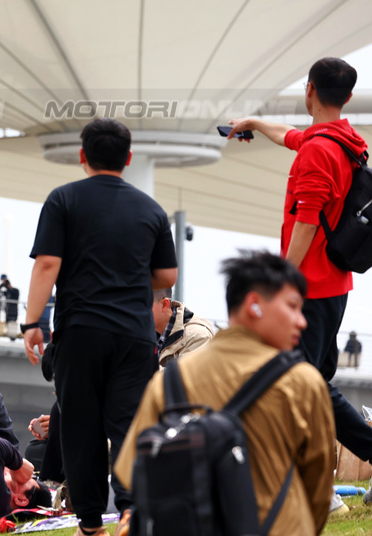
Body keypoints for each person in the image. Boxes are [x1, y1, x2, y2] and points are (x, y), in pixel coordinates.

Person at [21, 118, 177, 536]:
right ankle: (131, 512)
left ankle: (91, 525)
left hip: (81, 332)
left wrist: (32, 321)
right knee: (128, 425)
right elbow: (168, 274)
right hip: (134, 335)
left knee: (81, 427)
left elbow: (47, 264)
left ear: (82, 156)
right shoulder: (151, 209)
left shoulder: (63, 200)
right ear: (128, 159)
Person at [116, 252, 335, 536]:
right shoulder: (303, 382)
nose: (301, 321)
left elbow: (132, 470)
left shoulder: (168, 382)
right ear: (254, 305)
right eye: (293, 307)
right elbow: (318, 486)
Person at [229, 57, 372, 484]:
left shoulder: (317, 150)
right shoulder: (345, 141)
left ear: (309, 90)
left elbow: (307, 221)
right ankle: (311, 475)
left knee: (302, 379)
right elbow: (289, 135)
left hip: (308, 288)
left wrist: (280, 288)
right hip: (336, 282)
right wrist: (253, 121)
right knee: (313, 381)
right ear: (346, 97)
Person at [152, 287, 215, 366]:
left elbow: (185, 376)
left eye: (143, 305)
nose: (136, 312)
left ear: (165, 305)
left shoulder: (198, 337)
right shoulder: (140, 333)